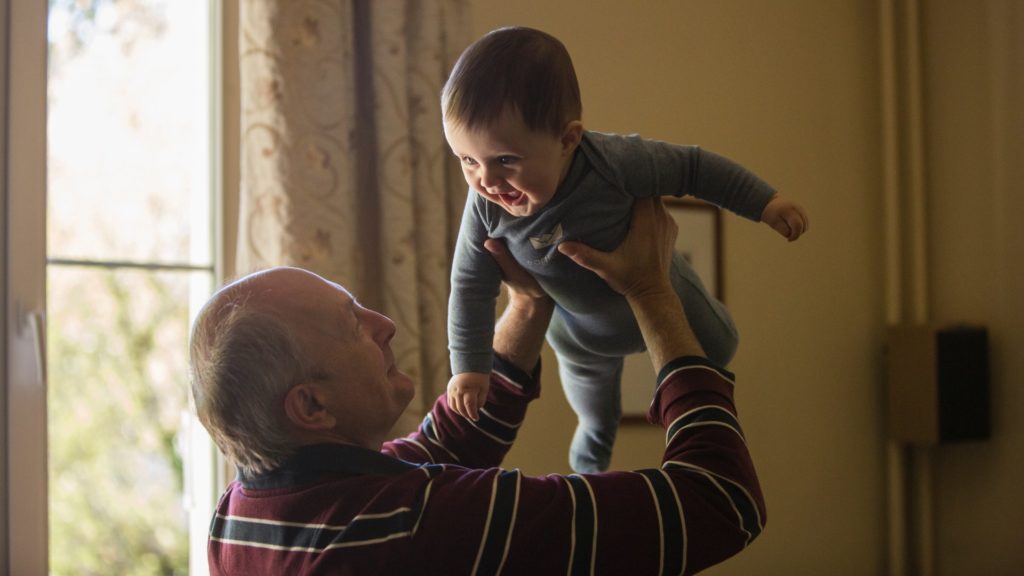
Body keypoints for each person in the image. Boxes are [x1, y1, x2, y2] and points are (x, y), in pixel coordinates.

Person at [190, 198, 766, 575]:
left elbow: (443, 445)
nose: (383, 325)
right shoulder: (423, 525)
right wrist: (651, 290)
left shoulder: (240, 517)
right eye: (353, 325)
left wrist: (528, 302)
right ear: (311, 405)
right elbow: (719, 501)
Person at [443, 26, 809, 473]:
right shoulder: (484, 206)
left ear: (567, 140)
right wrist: (469, 367)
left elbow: (694, 168)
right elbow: (469, 285)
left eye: (505, 160)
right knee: (596, 415)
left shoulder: (614, 162)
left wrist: (765, 203)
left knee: (721, 346)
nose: (486, 180)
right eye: (467, 160)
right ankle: (589, 469)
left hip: (664, 291)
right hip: (580, 336)